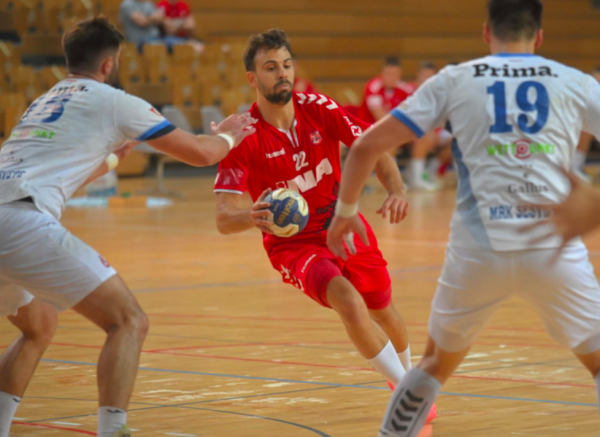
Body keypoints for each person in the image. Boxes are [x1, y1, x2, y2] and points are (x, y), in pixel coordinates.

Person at [326, 1, 600, 435]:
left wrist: (344, 213)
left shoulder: (455, 79)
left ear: (487, 32)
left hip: (478, 251)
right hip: (554, 245)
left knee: (433, 365)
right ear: (539, 36)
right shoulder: (575, 81)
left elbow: (365, 147)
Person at [0, 17, 254, 437]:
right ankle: (112, 431)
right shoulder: (114, 101)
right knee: (129, 321)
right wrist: (230, 136)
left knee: (38, 326)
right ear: (109, 63)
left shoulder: (43, 102)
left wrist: (114, 159)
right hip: (22, 224)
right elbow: (199, 152)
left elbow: (68, 174)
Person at [213, 29, 436, 423]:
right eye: (270, 68)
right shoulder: (243, 136)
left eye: (286, 65)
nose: (282, 73)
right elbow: (223, 216)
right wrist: (250, 216)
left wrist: (397, 190)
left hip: (342, 224)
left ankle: (404, 380)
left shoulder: (318, 107)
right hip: (293, 245)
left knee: (384, 312)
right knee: (348, 301)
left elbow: (371, 146)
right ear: (253, 78)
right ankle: (408, 395)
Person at [359, 57, 440, 191]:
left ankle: (416, 179)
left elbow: (416, 112)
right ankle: (392, 182)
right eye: (388, 74)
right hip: (370, 130)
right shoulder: (372, 87)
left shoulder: (404, 88)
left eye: (395, 75)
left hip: (393, 130)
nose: (391, 78)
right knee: (389, 140)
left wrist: (426, 130)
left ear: (399, 75)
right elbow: (380, 117)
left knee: (422, 136)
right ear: (382, 73)